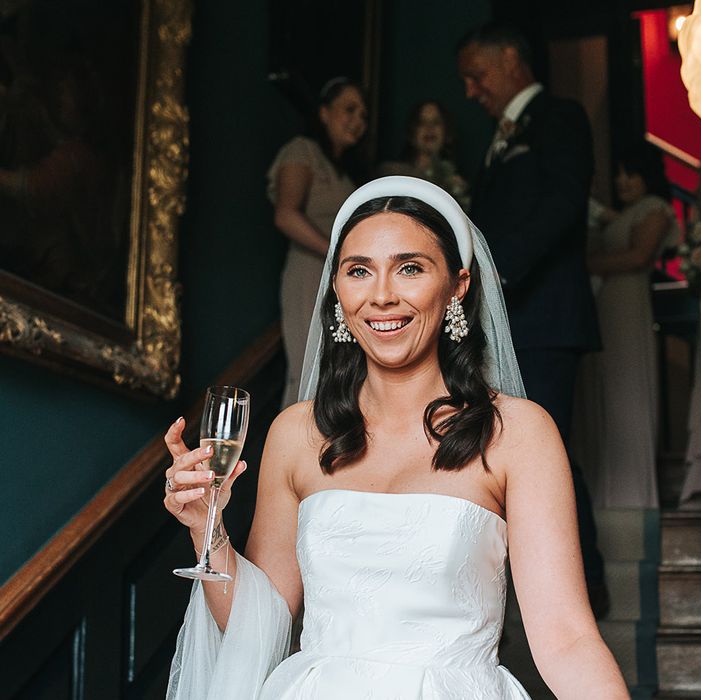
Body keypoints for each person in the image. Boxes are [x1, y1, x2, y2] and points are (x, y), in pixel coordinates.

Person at [163, 176, 629, 699]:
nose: (382, 295)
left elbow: (566, 639)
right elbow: (257, 627)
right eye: (359, 271)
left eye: (409, 268)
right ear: (337, 292)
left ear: (458, 285)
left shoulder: (516, 434)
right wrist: (208, 528)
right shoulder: (296, 433)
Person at [456, 22, 606, 611]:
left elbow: (563, 206)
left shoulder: (561, 117)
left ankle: (582, 591)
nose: (470, 90)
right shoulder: (498, 138)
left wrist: (490, 278)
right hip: (504, 322)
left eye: (476, 75)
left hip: (543, 318)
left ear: (512, 58)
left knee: (550, 451)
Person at [572, 142, 680, 509]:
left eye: (629, 173)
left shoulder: (655, 210)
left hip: (629, 304)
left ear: (647, 175)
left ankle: (633, 497)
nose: (622, 181)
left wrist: (584, 264)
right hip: (605, 305)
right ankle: (604, 494)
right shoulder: (619, 214)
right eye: (617, 174)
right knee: (604, 387)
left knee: (627, 390)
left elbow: (637, 256)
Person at [268, 76, 368, 407]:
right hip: (310, 271)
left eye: (363, 116)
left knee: (338, 369)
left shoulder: (347, 174)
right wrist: (338, 253)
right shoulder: (302, 151)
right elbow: (285, 215)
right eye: (349, 110)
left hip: (342, 278)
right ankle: (291, 454)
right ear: (324, 112)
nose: (357, 121)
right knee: (307, 366)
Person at [378, 100, 470, 210]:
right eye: (422, 122)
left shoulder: (455, 184)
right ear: (412, 132)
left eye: (436, 122)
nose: (429, 128)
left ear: (446, 133)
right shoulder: (392, 174)